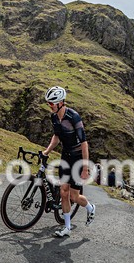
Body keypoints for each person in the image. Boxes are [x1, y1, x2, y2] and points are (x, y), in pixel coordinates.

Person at [41, 86, 96, 237]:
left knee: (74, 197)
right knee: (63, 192)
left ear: (60, 103)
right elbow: (57, 137)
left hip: (78, 159)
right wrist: (47, 151)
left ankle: (91, 208)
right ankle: (67, 228)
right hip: (65, 157)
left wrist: (85, 168)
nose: (50, 106)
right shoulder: (54, 117)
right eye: (48, 103)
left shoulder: (73, 117)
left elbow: (84, 143)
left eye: (52, 104)